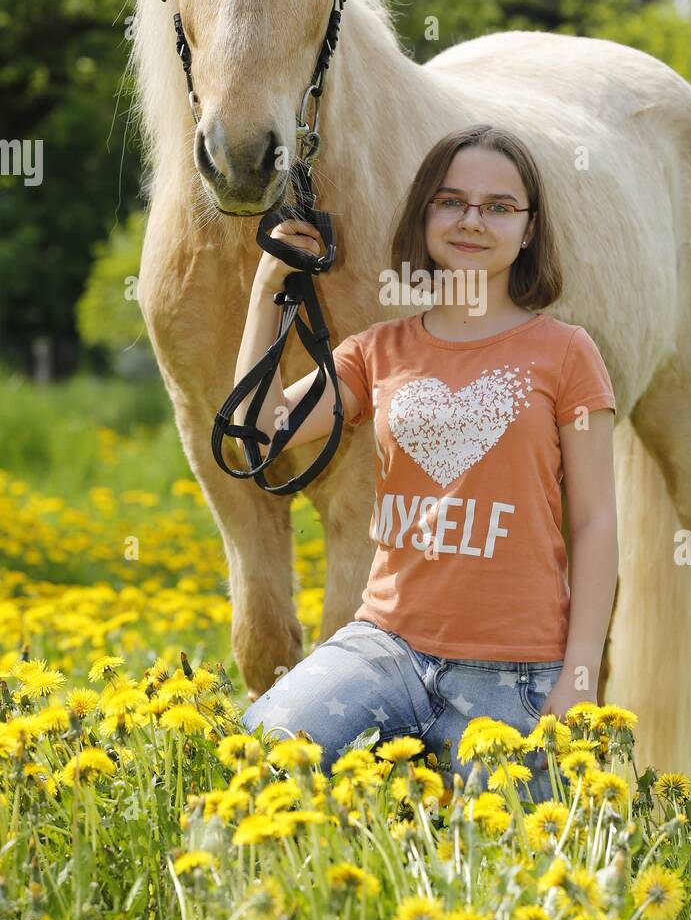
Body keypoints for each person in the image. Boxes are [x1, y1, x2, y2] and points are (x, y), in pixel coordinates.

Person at [236, 123, 619, 803]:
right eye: (452, 201)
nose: (473, 220)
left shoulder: (567, 354)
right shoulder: (377, 352)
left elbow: (594, 522)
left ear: (529, 231)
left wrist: (580, 672)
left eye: (499, 207)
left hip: (517, 672)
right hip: (387, 648)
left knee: (502, 871)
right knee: (263, 754)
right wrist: (272, 285)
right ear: (425, 216)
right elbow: (254, 434)